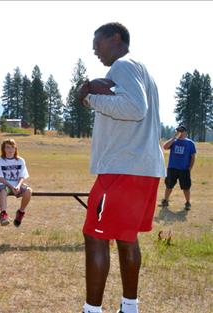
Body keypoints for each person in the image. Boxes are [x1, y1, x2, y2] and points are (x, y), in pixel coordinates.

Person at [77, 22, 165, 313]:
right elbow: (136, 106)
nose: (94, 50)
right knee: (126, 237)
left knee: (95, 235)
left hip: (123, 168)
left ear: (116, 38)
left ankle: (92, 310)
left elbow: (135, 109)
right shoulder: (142, 70)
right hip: (143, 168)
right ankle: (130, 307)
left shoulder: (123, 66)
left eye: (97, 44)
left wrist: (90, 96)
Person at [0, 139, 32, 227]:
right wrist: (11, 187)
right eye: (7, 147)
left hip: (17, 185)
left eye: (12, 147)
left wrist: (18, 186)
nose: (10, 150)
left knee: (29, 191)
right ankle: (3, 214)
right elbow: (1, 179)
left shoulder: (20, 160)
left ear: (15, 149)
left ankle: (21, 212)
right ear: (3, 149)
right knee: (3, 191)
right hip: (5, 185)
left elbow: (22, 176)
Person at [160, 125, 196, 210]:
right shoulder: (174, 141)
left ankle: (187, 203)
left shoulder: (190, 143)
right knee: (169, 186)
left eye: (182, 131)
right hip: (172, 168)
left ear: (186, 132)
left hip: (184, 169)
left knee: (186, 187)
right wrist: (173, 138)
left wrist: (190, 168)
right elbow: (165, 147)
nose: (180, 132)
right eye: (178, 130)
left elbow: (193, 157)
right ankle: (165, 201)